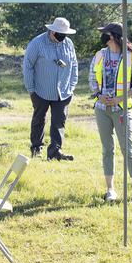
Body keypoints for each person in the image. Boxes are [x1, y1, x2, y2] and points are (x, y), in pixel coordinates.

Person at [88, 23, 132, 203]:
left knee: (128, 150)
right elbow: (92, 78)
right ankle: (110, 190)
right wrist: (99, 96)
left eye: (105, 33)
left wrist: (120, 98)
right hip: (102, 109)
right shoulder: (99, 55)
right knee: (107, 149)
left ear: (114, 36)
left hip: (122, 110)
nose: (102, 36)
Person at [23, 16, 79, 161]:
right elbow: (28, 66)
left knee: (59, 121)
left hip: (64, 91)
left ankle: (55, 151)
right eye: (60, 35)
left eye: (65, 35)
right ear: (52, 32)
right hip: (41, 91)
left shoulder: (68, 43)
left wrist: (72, 85)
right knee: (39, 119)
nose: (63, 37)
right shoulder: (37, 43)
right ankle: (36, 148)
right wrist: (31, 89)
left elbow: (73, 64)